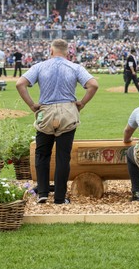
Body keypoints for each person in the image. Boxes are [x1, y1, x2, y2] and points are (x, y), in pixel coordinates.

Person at [16, 39, 99, 205]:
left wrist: (32, 105)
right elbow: (93, 85)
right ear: (67, 52)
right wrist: (81, 103)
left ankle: (43, 193)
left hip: (45, 111)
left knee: (42, 154)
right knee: (63, 157)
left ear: (51, 51)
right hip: (67, 111)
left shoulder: (40, 66)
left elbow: (20, 84)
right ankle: (60, 197)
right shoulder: (74, 67)